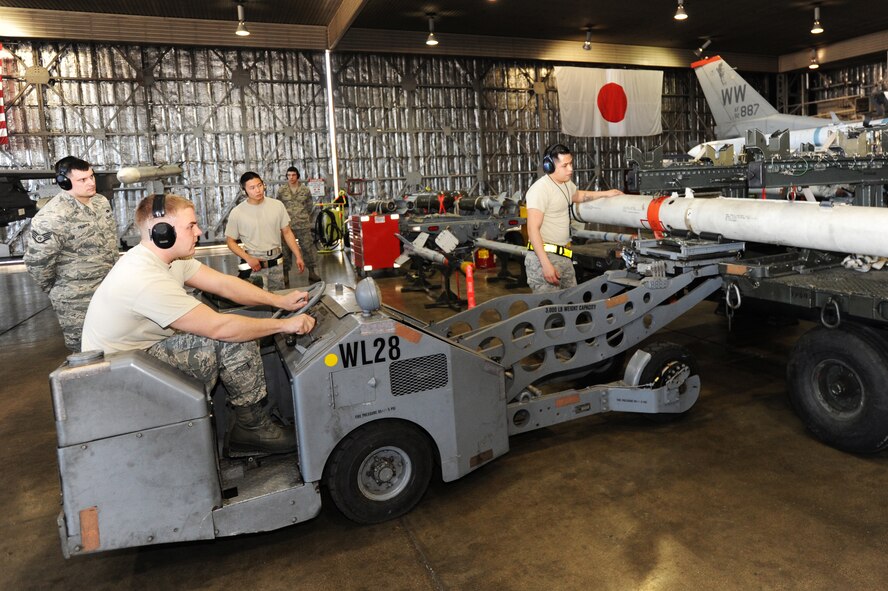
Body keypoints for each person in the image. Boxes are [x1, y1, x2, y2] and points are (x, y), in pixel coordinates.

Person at [82, 193, 316, 456]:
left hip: (135, 359)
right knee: (230, 338)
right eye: (190, 226)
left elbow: (224, 284)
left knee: (230, 326)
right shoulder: (144, 278)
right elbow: (220, 328)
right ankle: (251, 428)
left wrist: (280, 302)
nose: (200, 232)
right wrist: (285, 326)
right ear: (162, 232)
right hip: (121, 380)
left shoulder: (169, 260)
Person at [24, 156, 119, 352]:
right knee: (86, 351)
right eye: (82, 180)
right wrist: (58, 289)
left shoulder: (101, 202)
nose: (91, 183)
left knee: (114, 344)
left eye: (91, 177)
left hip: (109, 289)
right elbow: (37, 262)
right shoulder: (52, 216)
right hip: (76, 298)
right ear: (64, 182)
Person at [525, 144, 623, 293]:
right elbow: (532, 230)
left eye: (571, 163)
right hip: (544, 258)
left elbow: (578, 195)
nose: (570, 169)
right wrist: (545, 265)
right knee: (550, 310)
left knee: (571, 306)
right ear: (549, 166)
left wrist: (606, 193)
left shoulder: (566, 184)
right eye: (565, 165)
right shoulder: (540, 190)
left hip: (564, 256)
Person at [226, 171, 304, 291]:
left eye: (259, 185)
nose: (257, 190)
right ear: (244, 191)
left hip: (276, 261)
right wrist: (248, 258)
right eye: (252, 188)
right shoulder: (237, 212)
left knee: (278, 298)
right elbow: (230, 242)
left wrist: (298, 256)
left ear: (264, 185)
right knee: (259, 303)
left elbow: (287, 232)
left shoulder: (277, 206)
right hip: (254, 263)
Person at [277, 166, 321, 283]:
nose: (291, 177)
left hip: (303, 225)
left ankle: (311, 272)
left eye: (293, 175)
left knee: (307, 248)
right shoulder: (282, 190)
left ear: (297, 176)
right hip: (287, 226)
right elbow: (278, 207)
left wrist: (302, 216)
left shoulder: (305, 190)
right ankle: (285, 274)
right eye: (289, 175)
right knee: (286, 251)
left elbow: (309, 206)